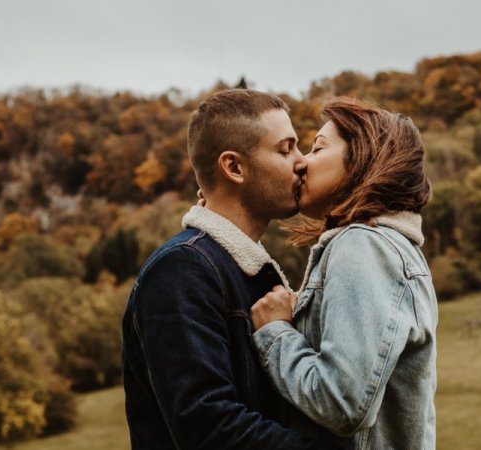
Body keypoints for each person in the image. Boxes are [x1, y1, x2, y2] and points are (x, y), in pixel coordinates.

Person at [121, 89, 337, 449]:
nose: (301, 162)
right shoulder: (182, 270)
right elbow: (209, 427)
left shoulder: (240, 267)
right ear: (234, 168)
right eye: (285, 149)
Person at [250, 98, 438, 449]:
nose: (302, 162)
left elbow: (342, 403)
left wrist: (276, 333)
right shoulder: (387, 249)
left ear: (364, 159)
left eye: (318, 147)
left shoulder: (363, 246)